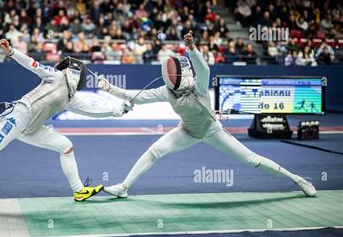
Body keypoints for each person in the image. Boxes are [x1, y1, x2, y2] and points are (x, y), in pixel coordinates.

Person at [98, 31, 317, 199]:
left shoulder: (198, 86)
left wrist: (192, 48)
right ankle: (124, 188)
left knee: (251, 160)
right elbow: (135, 96)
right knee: (154, 151)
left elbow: (204, 69)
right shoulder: (167, 91)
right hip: (187, 131)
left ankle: (298, 180)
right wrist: (110, 88)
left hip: (213, 131)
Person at [0, 39, 127, 206]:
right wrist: (11, 52)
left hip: (33, 129)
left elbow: (94, 111)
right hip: (16, 118)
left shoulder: (71, 99)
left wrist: (118, 110)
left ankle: (79, 190)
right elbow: (32, 64)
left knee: (66, 147)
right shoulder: (55, 76)